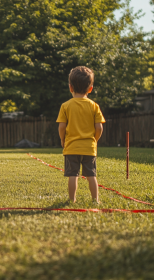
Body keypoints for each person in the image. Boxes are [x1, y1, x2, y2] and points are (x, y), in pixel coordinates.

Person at [56, 66, 105, 204]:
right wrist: (94, 140)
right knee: (91, 175)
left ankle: (72, 200)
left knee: (72, 175)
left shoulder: (65, 106)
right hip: (89, 147)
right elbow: (99, 127)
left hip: (71, 147)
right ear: (90, 89)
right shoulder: (94, 106)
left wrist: (62, 139)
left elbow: (61, 126)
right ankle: (95, 200)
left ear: (70, 87)